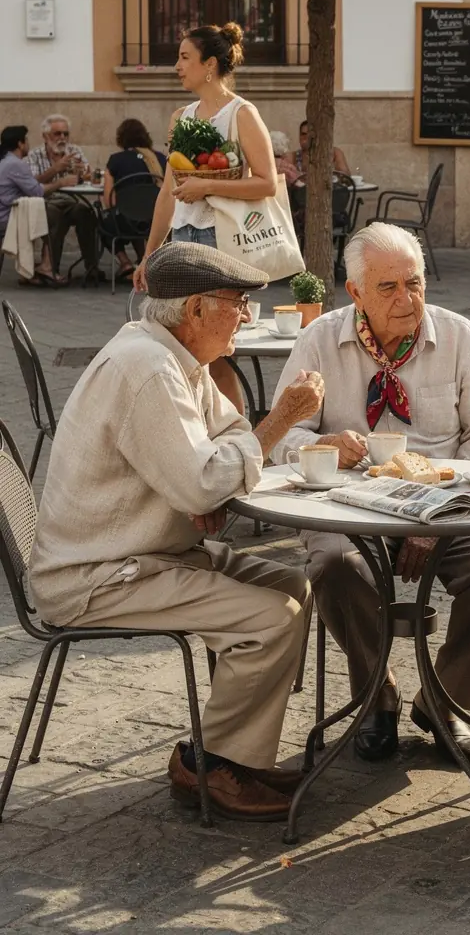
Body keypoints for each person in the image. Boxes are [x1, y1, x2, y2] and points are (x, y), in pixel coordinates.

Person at [28, 242, 326, 822]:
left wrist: (211, 481)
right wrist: (281, 420)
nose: (246, 315)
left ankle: (235, 755)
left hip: (146, 553)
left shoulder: (177, 358)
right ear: (194, 311)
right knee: (271, 617)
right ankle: (213, 766)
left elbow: (224, 438)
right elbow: (206, 480)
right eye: (237, 302)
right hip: (96, 574)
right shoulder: (149, 369)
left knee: (292, 585)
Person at [271, 221, 470, 766]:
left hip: (444, 508)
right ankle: (375, 694)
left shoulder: (459, 337)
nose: (408, 300)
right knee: (333, 563)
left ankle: (445, 699)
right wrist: (321, 444)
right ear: (355, 292)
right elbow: (280, 434)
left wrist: (436, 526)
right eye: (388, 288)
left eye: (415, 282)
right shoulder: (319, 340)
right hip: (345, 510)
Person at [133, 23, 278, 412]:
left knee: (217, 351)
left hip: (222, 241)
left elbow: (267, 184)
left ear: (209, 64)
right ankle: (195, 429)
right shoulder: (181, 117)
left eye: (184, 58)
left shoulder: (242, 114)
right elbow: (168, 191)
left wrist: (206, 187)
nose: (177, 66)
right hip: (181, 238)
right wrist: (150, 254)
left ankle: (238, 436)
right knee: (182, 346)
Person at [27, 114, 100, 281]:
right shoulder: (35, 155)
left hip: (71, 200)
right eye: (57, 134)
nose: (62, 138)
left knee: (87, 214)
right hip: (47, 200)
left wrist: (85, 174)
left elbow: (88, 176)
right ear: (45, 136)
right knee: (54, 215)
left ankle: (92, 267)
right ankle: (51, 269)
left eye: (65, 134)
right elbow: (31, 184)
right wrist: (55, 170)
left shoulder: (74, 151)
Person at [99, 118, 168, 280]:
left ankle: (125, 263)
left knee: (103, 222)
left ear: (121, 139)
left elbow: (109, 201)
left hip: (125, 222)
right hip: (155, 222)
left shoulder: (115, 160)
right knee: (140, 214)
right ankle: (145, 262)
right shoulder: (160, 159)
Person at [0, 125, 67, 286]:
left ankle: (36, 268)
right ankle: (46, 267)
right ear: (20, 143)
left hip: (7, 211)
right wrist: (61, 182)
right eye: (27, 140)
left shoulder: (6, 161)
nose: (29, 143)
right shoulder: (15, 164)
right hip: (7, 216)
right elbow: (37, 191)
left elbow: (30, 185)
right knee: (56, 217)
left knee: (50, 213)